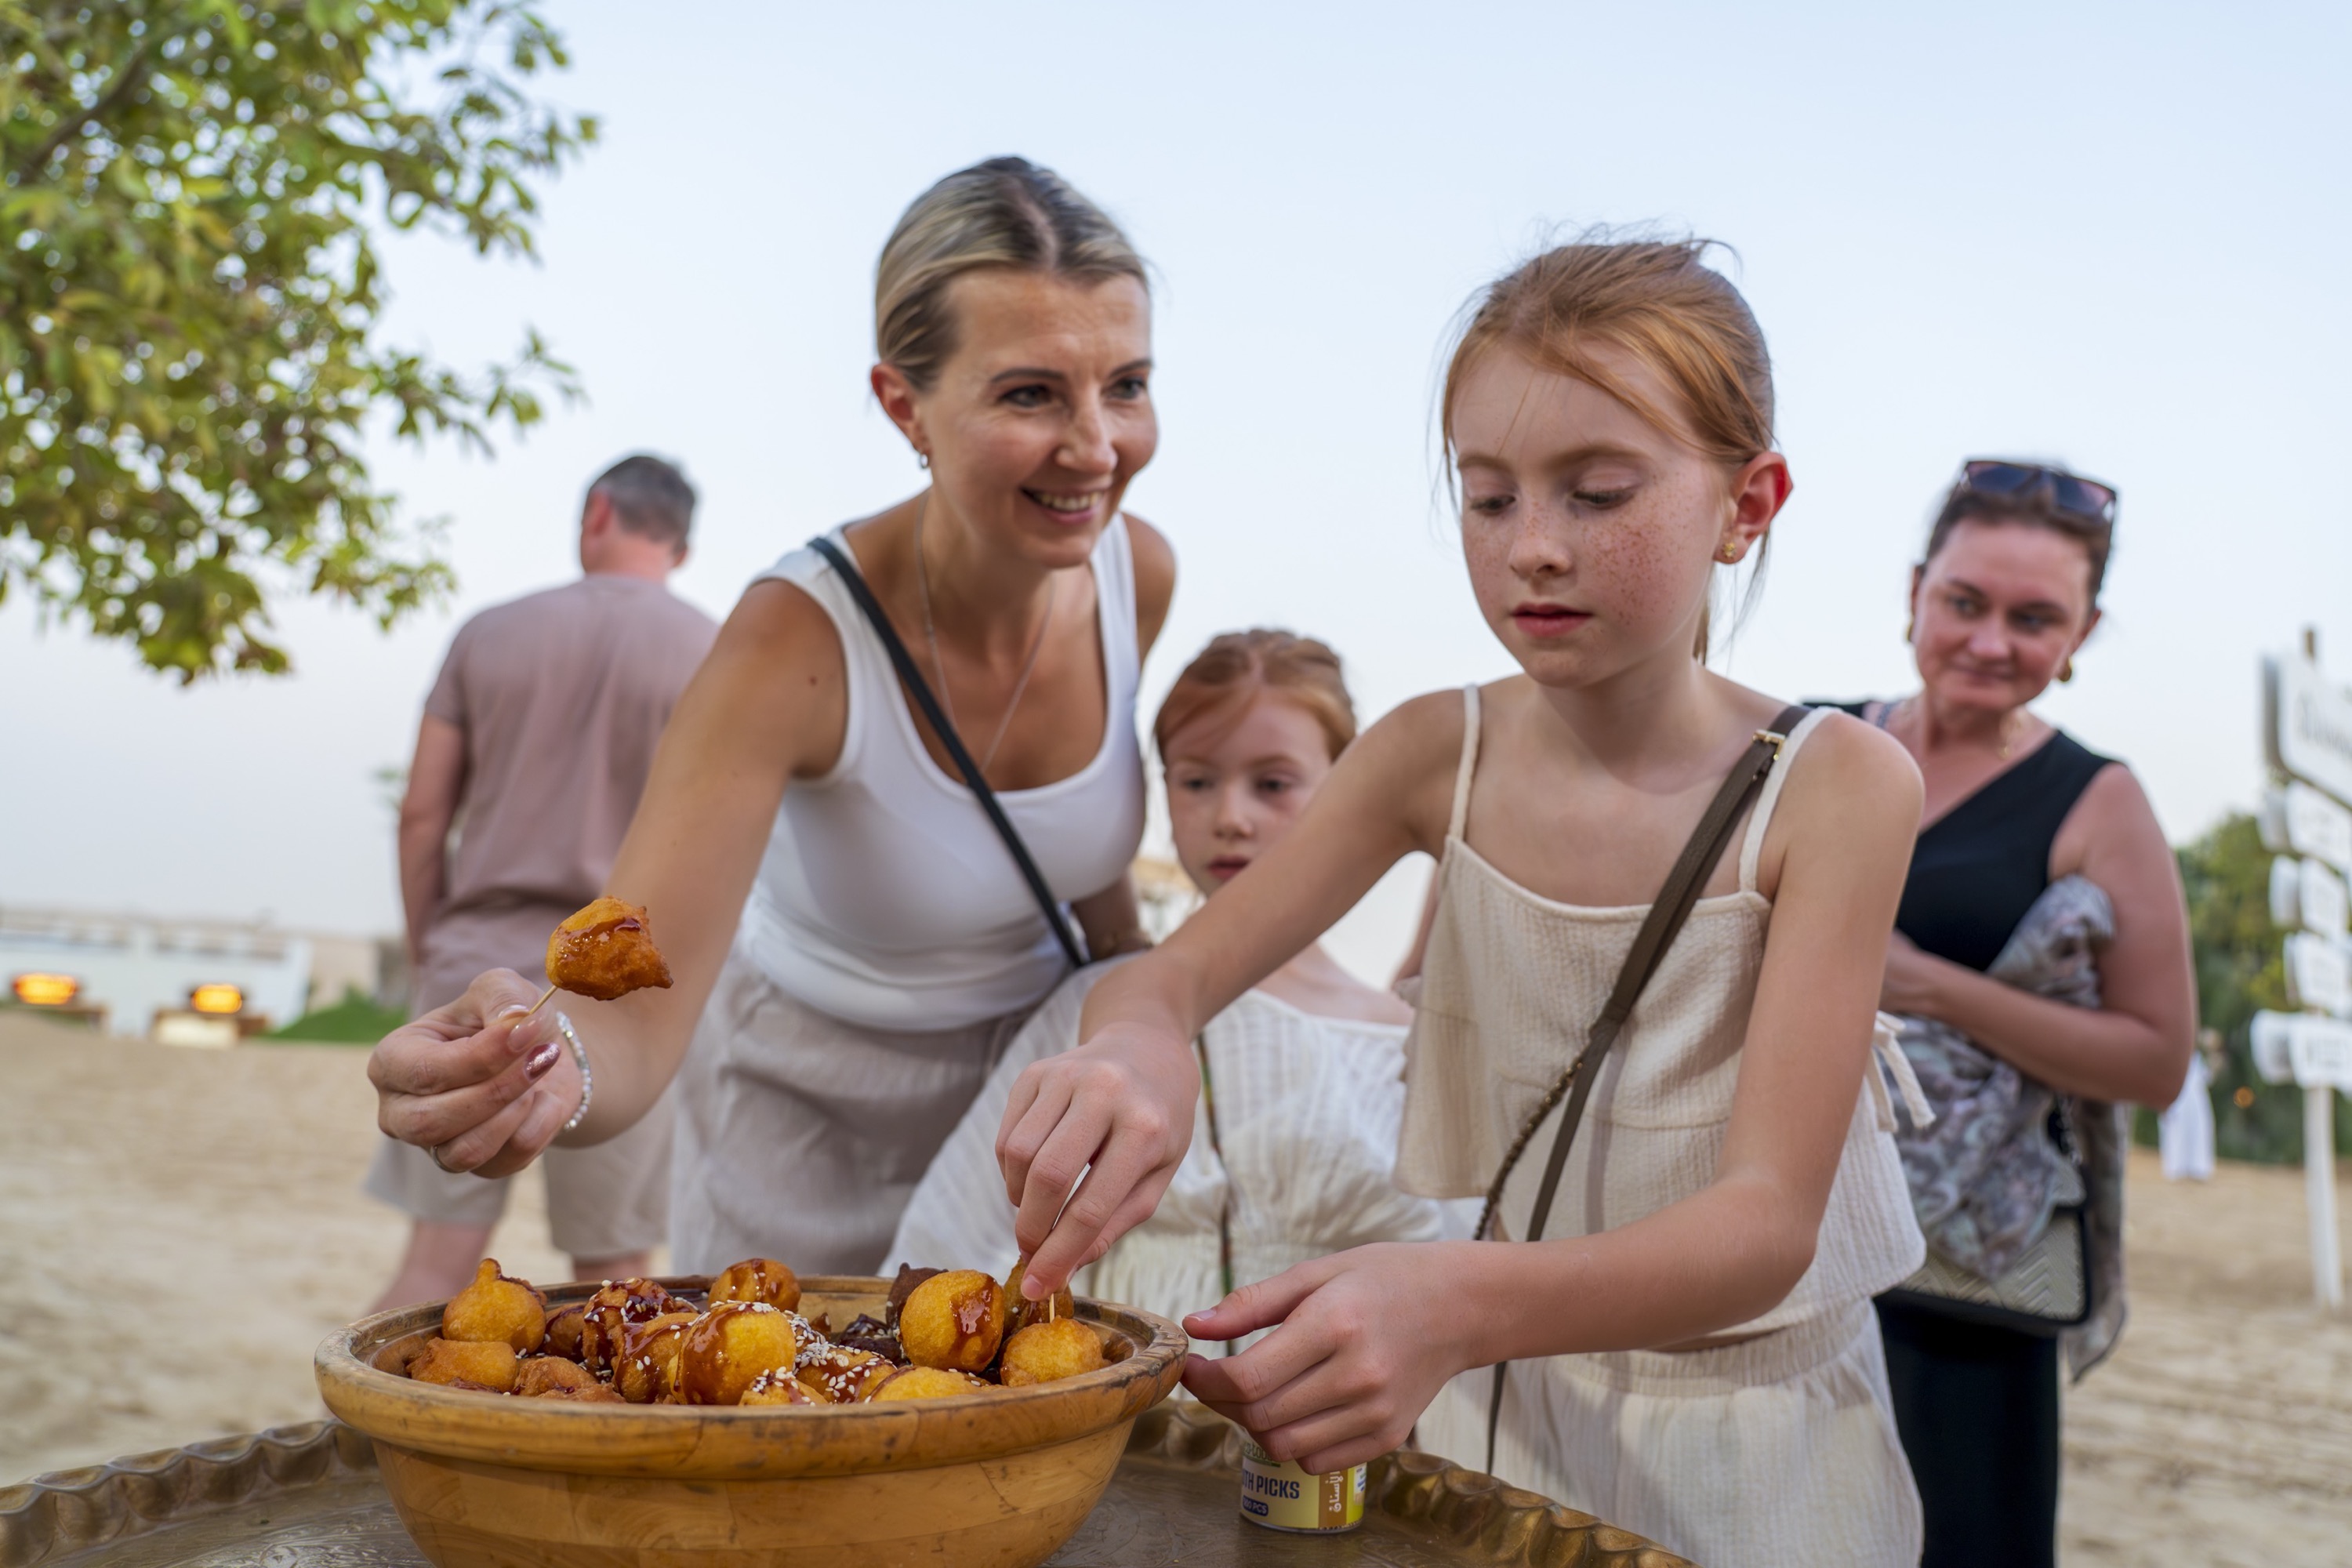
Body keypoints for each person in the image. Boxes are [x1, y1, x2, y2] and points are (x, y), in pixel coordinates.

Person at [993, 239, 1931, 1567]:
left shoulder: (1836, 787)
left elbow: (1767, 1224)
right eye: (1488, 497)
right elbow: (1167, 976)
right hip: (1501, 1406)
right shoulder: (1439, 753)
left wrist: (1451, 1301)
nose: (1533, 547)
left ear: (1748, 503)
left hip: (1752, 1442)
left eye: (1598, 493)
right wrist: (1137, 1048)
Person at [363, 157, 1175, 1276]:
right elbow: (639, 1016)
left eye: (1126, 385)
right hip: (803, 1127)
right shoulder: (793, 639)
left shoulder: (1139, 575)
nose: (1096, 447)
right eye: (1030, 394)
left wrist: (1143, 1008)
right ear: (904, 404)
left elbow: (1088, 889)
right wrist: (543, 1066)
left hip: (1023, 1124)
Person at [1823, 462, 2194, 1568]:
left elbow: (2155, 1060)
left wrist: (1930, 986)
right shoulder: (1812, 739)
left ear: (2081, 636)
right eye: (1965, 601)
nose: (1991, 642)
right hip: (1782, 1248)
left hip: (1967, 1290)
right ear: (1914, 592)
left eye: (2034, 619)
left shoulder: (2099, 800)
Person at [892, 630, 1468, 1342]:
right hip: (1125, 1400)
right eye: (1197, 782)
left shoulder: (1398, 1038)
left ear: (1348, 787)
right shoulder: (1100, 1010)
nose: (1231, 817)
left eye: (1273, 784)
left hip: (1342, 1408)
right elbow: (965, 1226)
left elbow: (1458, 1271)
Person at [365, 455, 717, 1311]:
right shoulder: (712, 652)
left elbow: (422, 815)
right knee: (616, 1281)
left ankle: (361, 1407)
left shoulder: (489, 633)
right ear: (680, 546)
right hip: (624, 997)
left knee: (435, 1268)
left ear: (597, 513)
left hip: (473, 964)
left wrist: (431, 951)